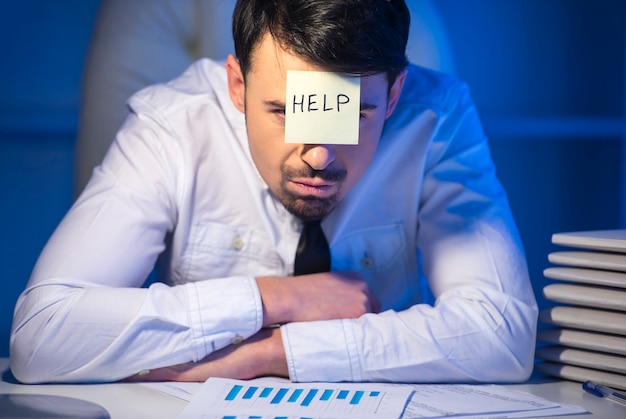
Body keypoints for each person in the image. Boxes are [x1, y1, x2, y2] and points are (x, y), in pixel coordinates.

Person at [10, 0, 537, 384]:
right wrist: (274, 298)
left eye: (352, 113)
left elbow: (503, 336)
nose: (319, 156)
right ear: (237, 85)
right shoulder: (173, 124)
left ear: (395, 92)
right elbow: (41, 337)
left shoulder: (437, 115)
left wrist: (272, 352)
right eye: (286, 111)